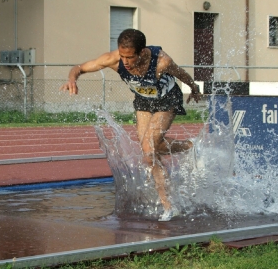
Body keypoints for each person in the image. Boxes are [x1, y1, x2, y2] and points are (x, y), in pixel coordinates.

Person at [60, 29, 202, 221]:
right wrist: (72, 79)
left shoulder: (162, 61)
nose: (125, 62)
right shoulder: (113, 59)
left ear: (142, 52)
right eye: (122, 56)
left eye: (130, 57)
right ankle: (190, 145)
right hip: (144, 100)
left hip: (167, 99)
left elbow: (181, 74)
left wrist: (194, 87)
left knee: (148, 148)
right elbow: (79, 67)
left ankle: (169, 205)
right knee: (150, 151)